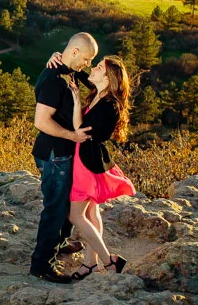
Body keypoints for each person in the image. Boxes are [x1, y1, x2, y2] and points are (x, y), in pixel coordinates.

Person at [55, 54, 135, 279]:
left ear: (109, 78)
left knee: (75, 214)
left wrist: (77, 101)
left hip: (87, 162)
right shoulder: (101, 92)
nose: (94, 68)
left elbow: (81, 131)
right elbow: (79, 71)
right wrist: (59, 59)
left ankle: (109, 260)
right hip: (87, 157)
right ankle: (90, 262)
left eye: (99, 67)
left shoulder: (109, 105)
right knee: (91, 211)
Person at [29, 32, 96, 283]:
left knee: (66, 206)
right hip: (54, 155)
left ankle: (58, 245)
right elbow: (41, 121)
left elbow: (96, 83)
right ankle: (42, 265)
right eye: (87, 59)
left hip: (63, 154)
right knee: (55, 210)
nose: (88, 64)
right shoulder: (53, 79)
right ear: (75, 52)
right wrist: (73, 136)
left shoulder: (69, 71)